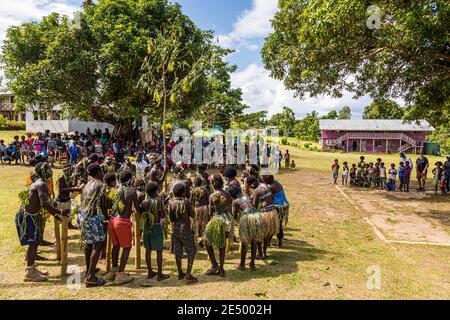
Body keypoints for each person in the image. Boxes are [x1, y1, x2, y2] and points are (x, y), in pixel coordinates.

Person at [15, 163, 69, 282]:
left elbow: (43, 203)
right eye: (48, 169)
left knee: (35, 241)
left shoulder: (40, 182)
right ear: (42, 171)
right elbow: (44, 203)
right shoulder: (42, 184)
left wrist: (55, 213)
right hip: (28, 216)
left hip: (31, 215)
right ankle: (29, 272)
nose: (51, 171)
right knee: (33, 243)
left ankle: (32, 268)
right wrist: (60, 212)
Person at [105, 171, 140, 285]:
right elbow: (138, 208)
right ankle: (120, 274)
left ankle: (113, 270)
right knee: (127, 247)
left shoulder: (115, 191)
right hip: (122, 222)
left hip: (112, 220)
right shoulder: (131, 192)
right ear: (130, 180)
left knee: (116, 245)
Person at [77, 163, 108, 287]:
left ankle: (89, 271)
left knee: (89, 244)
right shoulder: (100, 185)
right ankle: (90, 277)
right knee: (98, 243)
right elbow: (103, 204)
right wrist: (106, 218)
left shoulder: (86, 185)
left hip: (82, 216)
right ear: (98, 172)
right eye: (101, 170)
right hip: (92, 217)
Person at [229, 185, 264, 271]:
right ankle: (252, 264)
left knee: (244, 241)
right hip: (256, 216)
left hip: (248, 218)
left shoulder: (235, 201)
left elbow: (234, 215)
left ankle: (242, 264)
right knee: (254, 240)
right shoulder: (246, 196)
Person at [168, 183, 198, 284]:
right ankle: (188, 275)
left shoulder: (171, 203)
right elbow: (193, 215)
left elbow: (171, 219)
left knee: (178, 252)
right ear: (183, 192)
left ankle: (180, 273)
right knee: (191, 251)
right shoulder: (186, 202)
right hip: (186, 230)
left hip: (175, 230)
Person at [140, 182, 170, 282]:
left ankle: (150, 272)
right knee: (159, 251)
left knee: (148, 250)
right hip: (156, 227)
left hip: (147, 228)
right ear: (155, 191)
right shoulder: (158, 202)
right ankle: (160, 274)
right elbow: (162, 215)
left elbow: (142, 214)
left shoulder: (144, 202)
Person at [205, 175, 232, 277]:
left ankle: (214, 264)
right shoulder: (228, 195)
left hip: (217, 219)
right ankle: (221, 269)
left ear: (213, 184)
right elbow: (229, 207)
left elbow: (210, 212)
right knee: (222, 244)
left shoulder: (212, 196)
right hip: (226, 220)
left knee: (207, 242)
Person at [250, 175, 280, 260]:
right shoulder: (264, 185)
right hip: (272, 212)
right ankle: (264, 253)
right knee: (267, 234)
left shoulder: (256, 190)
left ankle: (260, 254)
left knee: (259, 234)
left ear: (252, 184)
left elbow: (254, 207)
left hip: (265, 213)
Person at [262, 175, 289, 248]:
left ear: (268, 180)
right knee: (279, 225)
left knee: (272, 225)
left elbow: (266, 197)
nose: (262, 180)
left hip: (278, 207)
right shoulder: (276, 182)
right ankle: (279, 242)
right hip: (283, 205)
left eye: (263, 179)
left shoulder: (271, 187)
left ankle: (267, 243)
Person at [56, 164, 81, 230]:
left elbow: (72, 186)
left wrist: (76, 179)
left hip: (67, 199)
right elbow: (61, 190)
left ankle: (69, 225)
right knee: (59, 218)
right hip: (61, 200)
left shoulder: (69, 177)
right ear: (66, 170)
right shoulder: (61, 177)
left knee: (69, 215)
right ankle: (57, 232)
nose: (72, 171)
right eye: (71, 170)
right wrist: (72, 188)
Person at [190, 176, 210, 247]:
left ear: (194, 183)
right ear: (201, 183)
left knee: (195, 225)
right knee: (204, 225)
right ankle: (204, 242)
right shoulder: (205, 190)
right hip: (204, 208)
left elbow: (191, 201)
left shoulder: (192, 191)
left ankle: (195, 242)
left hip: (196, 209)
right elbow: (208, 200)